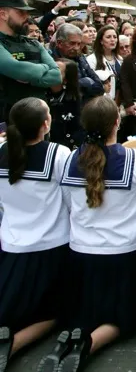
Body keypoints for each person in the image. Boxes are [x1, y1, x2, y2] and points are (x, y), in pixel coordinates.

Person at [42, 97, 136, 372]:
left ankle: (73, 335)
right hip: (124, 256)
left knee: (85, 311)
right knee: (130, 317)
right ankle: (88, 343)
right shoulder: (134, 160)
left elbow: (68, 204)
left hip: (82, 255)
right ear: (117, 122)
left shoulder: (71, 159)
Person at [0, 98, 72, 372]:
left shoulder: (2, 152)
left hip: (11, 251)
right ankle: (13, 345)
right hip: (52, 252)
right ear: (45, 124)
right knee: (59, 311)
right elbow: (70, 199)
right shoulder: (58, 153)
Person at [0, 0, 62, 122]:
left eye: (27, 13)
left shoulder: (34, 44)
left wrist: (29, 77)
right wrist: (44, 68)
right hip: (9, 119)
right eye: (21, 12)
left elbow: (57, 76)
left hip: (39, 116)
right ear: (3, 15)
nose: (27, 17)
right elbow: (19, 70)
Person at [50, 23, 106, 102]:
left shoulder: (80, 57)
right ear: (59, 43)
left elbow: (99, 87)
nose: (76, 48)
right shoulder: (51, 61)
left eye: (79, 44)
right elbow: (64, 92)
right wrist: (87, 82)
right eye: (72, 43)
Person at [47, 59, 84, 150]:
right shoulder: (41, 94)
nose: (50, 73)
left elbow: (77, 130)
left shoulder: (74, 100)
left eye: (57, 71)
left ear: (66, 79)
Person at [85, 25, 121, 102]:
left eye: (115, 37)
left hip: (116, 101)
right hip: (99, 102)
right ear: (101, 41)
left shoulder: (119, 59)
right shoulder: (92, 59)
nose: (112, 40)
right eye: (108, 37)